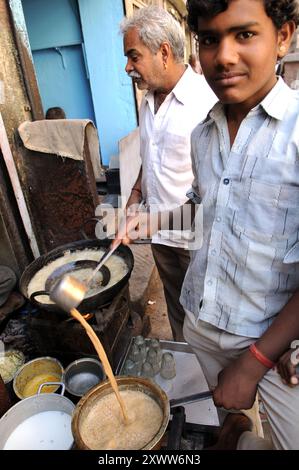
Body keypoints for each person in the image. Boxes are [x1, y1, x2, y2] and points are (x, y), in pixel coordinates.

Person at [115, 0, 299, 450]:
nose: (225, 56)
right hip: (201, 320)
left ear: (284, 36)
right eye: (211, 39)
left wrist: (255, 361)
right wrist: (149, 220)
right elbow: (205, 210)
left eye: (245, 35)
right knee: (203, 426)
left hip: (271, 344)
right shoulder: (205, 133)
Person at [119, 6, 216, 341]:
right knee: (177, 314)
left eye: (134, 56)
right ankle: (188, 378)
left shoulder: (207, 101)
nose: (128, 67)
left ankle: (214, 388)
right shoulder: (148, 100)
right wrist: (134, 197)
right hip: (161, 238)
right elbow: (150, 158)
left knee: (206, 322)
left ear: (163, 52)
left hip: (198, 240)